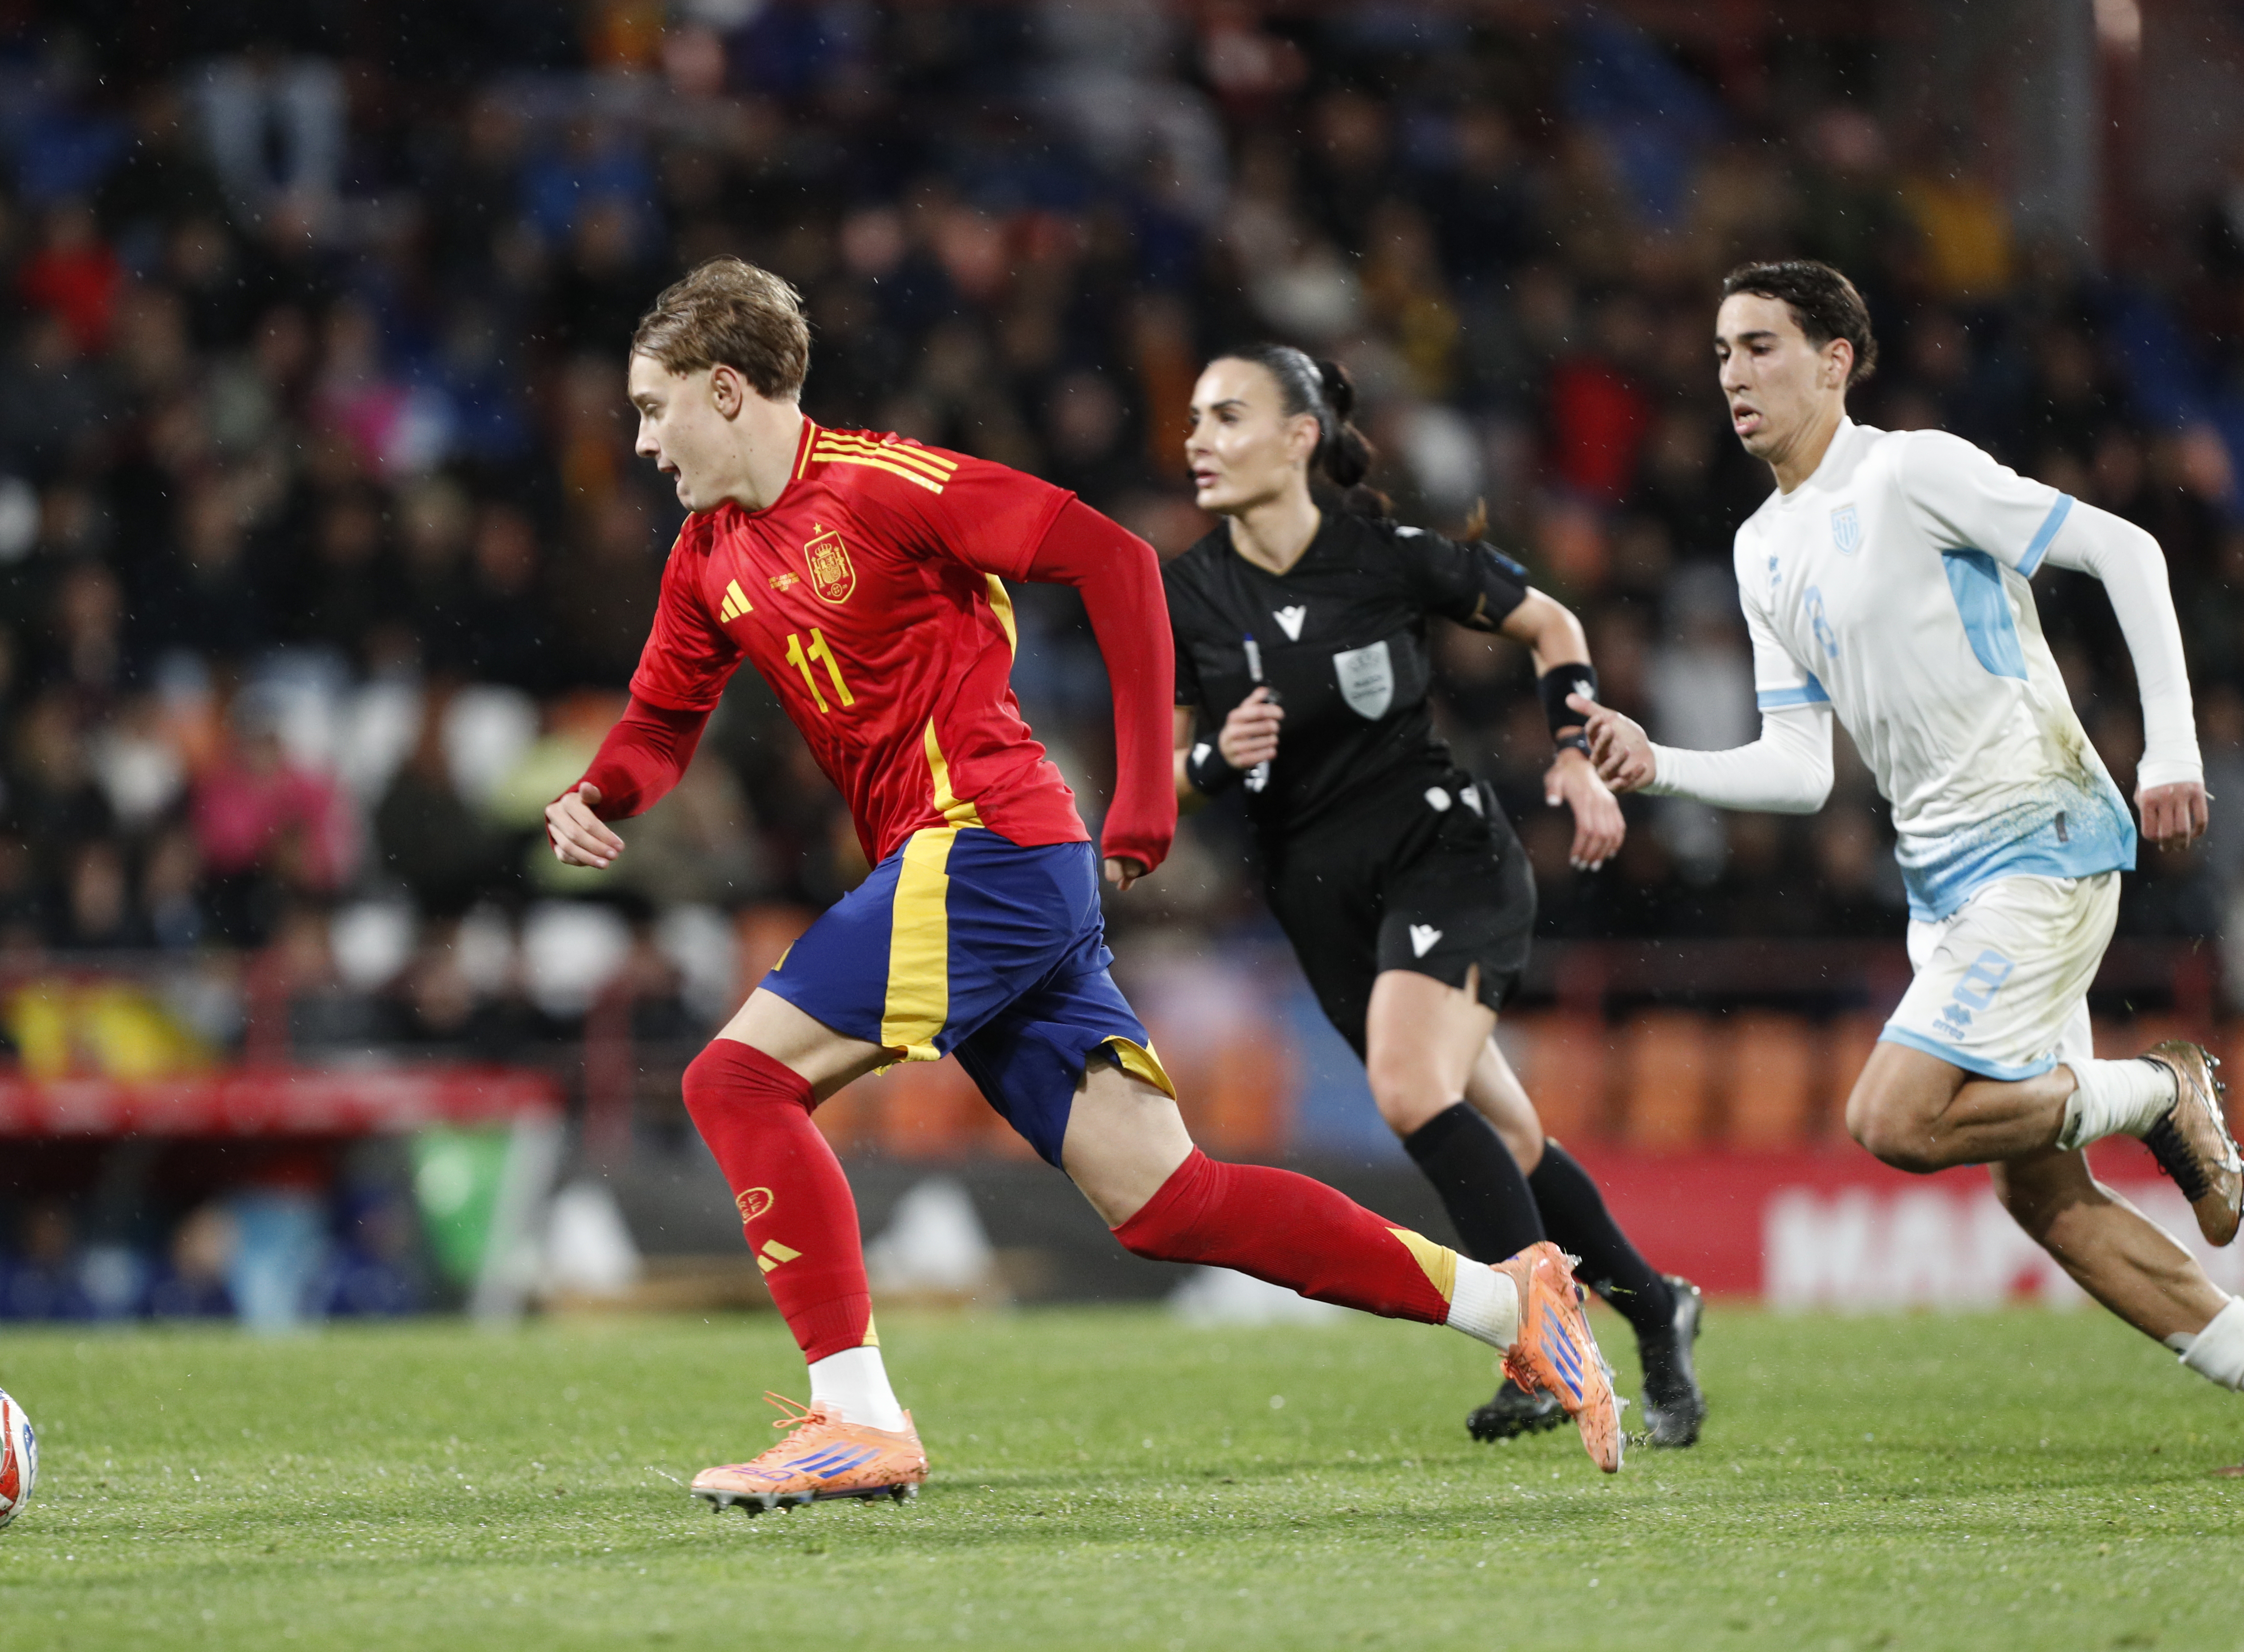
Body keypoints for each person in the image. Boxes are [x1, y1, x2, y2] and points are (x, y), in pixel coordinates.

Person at [546, 258, 1624, 1508]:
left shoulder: (892, 488)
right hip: (984, 870)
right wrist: (601, 793)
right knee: (1167, 1199)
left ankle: (854, 1416)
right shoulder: (707, 554)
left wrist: (1146, 795)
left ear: (724, 390)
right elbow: (658, 723)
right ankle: (1516, 1302)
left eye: (650, 406)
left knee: (733, 1077)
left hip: (988, 843)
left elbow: (1113, 561)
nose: (640, 440)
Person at [1576, 259, 2244, 1394]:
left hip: (2041, 833)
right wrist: (1661, 765)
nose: (1734, 373)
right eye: (1723, 352)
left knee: (1893, 1116)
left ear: (1836, 362)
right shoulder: (1761, 549)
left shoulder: (1912, 471)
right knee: (2042, 1194)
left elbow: (2129, 549)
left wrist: (2170, 747)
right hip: (1944, 880)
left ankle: (2161, 1090)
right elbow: (1798, 768)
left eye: (1762, 346)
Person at [1166, 344, 1706, 1447]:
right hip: (1318, 900)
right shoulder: (1186, 591)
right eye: (1193, 419)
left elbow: (1554, 623)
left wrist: (1573, 750)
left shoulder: (1387, 554)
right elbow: (1165, 766)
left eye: (1227, 417)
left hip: (1442, 853)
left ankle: (1541, 1343)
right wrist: (1216, 760)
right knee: (1501, 1135)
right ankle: (1655, 1305)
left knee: (1412, 1088)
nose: (1198, 440)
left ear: (1300, 438)